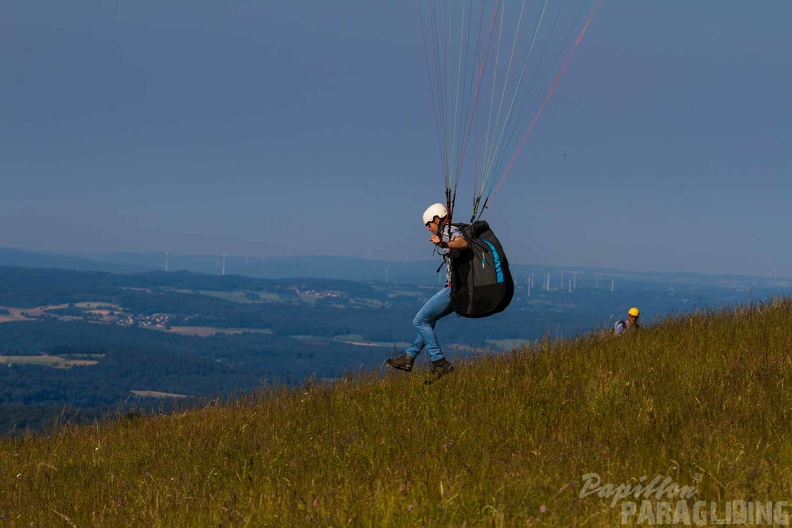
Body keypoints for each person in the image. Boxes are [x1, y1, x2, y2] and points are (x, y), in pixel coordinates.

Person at [387, 203, 468, 383]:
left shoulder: (448, 231)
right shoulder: (447, 231)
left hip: (453, 289)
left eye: (429, 225)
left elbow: (462, 243)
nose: (429, 229)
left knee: (420, 320)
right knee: (428, 321)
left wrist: (444, 243)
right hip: (459, 290)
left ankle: (439, 362)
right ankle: (409, 357)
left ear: (437, 220)